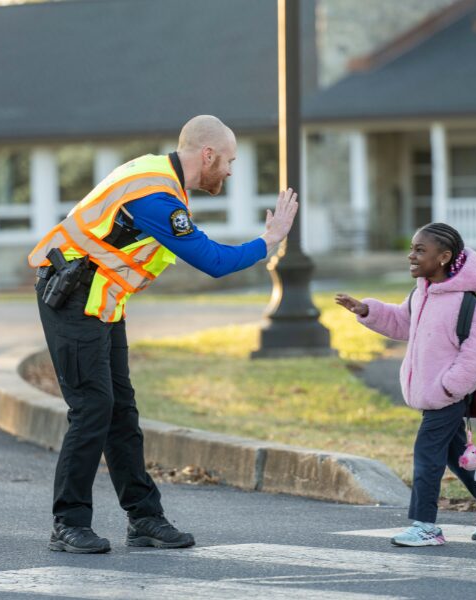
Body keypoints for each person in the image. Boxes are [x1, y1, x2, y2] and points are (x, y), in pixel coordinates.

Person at [27, 115, 298, 554]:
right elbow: (213, 261)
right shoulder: (156, 196)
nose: (230, 171)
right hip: (72, 297)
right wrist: (269, 240)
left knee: (120, 410)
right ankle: (68, 523)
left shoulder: (158, 176)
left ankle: (145, 519)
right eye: (228, 161)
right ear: (207, 155)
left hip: (100, 299)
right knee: (93, 407)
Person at [335, 223, 476, 547]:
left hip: (446, 395)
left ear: (444, 257)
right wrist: (366, 310)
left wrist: (449, 388)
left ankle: (426, 525)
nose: (411, 255)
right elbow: (403, 322)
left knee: (426, 454)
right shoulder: (422, 292)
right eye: (412, 249)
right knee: (455, 454)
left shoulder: (467, 304)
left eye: (420, 250)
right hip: (434, 393)